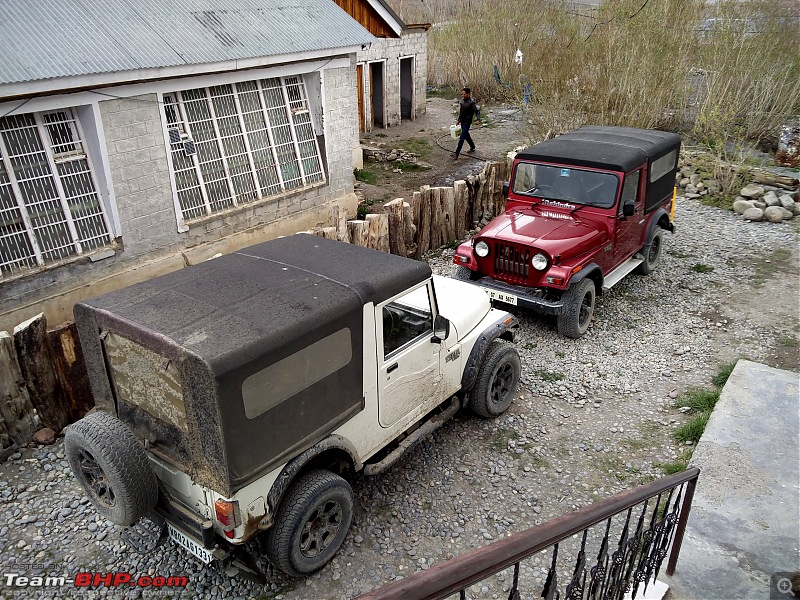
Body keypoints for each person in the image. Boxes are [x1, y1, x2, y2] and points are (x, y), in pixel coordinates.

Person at [453, 87, 481, 159]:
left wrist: (478, 119)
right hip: (462, 121)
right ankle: (472, 146)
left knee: (462, 138)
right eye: (462, 94)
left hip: (467, 122)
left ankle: (456, 153)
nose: (463, 95)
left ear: (468, 94)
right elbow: (461, 112)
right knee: (466, 135)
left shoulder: (471, 102)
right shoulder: (462, 101)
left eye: (464, 94)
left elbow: (477, 111)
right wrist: (459, 120)